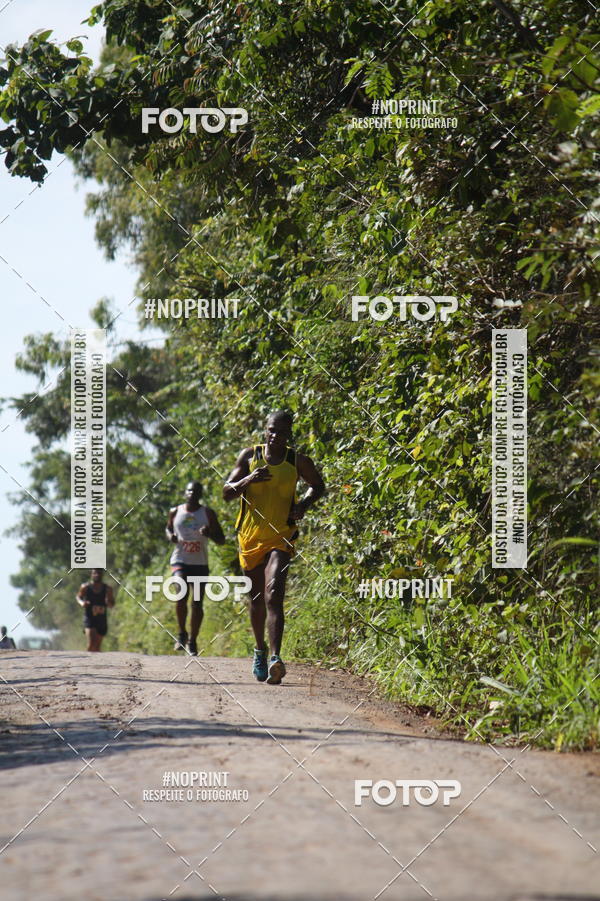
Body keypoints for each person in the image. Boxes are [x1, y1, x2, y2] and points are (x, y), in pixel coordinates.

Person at [223, 410, 325, 684]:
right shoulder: (249, 457)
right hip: (250, 538)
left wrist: (302, 505)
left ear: (290, 434)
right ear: (264, 430)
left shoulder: (297, 461)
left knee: (274, 592)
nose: (276, 435)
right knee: (256, 600)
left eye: (282, 431)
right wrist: (248, 480)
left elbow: (318, 485)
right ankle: (260, 650)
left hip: (281, 536)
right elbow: (226, 492)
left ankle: (276, 658)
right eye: (271, 430)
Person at [166, 480, 225, 655]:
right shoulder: (175, 511)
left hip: (200, 563)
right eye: (189, 490)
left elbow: (221, 540)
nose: (192, 493)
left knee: (197, 604)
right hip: (180, 560)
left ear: (200, 495)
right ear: (185, 493)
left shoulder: (208, 514)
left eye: (196, 491)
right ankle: (182, 633)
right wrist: (171, 536)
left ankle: (193, 641)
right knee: (181, 592)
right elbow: (168, 528)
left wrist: (210, 534)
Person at [76, 568, 115, 652]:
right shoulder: (85, 587)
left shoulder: (108, 589)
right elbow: (78, 597)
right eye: (95, 573)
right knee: (91, 643)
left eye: (99, 573)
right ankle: (88, 664)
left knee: (97, 646)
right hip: (89, 618)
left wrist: (108, 602)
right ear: (91, 574)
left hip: (101, 619)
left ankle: (96, 664)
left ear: (102, 575)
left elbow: (112, 604)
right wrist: (82, 603)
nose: (97, 575)